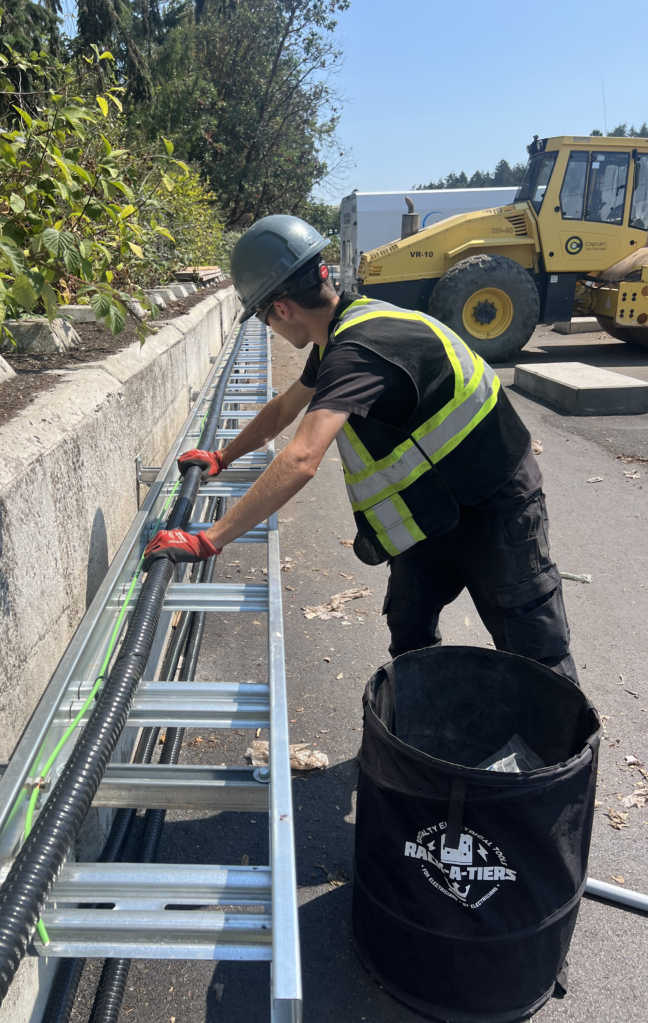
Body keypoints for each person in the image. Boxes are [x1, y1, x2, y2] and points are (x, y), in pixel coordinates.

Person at [144, 215, 578, 682]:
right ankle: (426, 736)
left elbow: (302, 458)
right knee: (409, 630)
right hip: (434, 508)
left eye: (264, 316)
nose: (269, 327)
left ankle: (554, 747)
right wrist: (221, 458)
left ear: (283, 309)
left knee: (533, 649)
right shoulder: (345, 330)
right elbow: (283, 409)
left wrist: (209, 539)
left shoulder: (358, 350)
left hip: (496, 501)